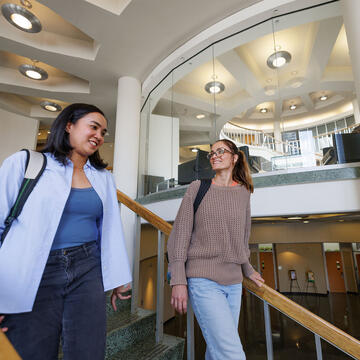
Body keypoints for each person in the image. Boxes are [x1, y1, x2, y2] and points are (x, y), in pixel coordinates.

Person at [0, 103, 132, 359]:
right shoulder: (26, 163)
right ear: (68, 126)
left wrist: (116, 278)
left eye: (103, 132)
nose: (99, 136)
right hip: (33, 271)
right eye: (93, 127)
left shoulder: (103, 177)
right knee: (32, 350)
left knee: (88, 350)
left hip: (87, 267)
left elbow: (109, 230)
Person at [167, 138, 264, 360]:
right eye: (212, 153)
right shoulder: (197, 188)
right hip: (203, 280)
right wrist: (178, 279)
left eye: (221, 151)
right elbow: (180, 235)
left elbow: (242, 237)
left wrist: (248, 270)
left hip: (233, 282)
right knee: (231, 353)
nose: (215, 155)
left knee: (217, 350)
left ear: (235, 157)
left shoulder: (243, 192)